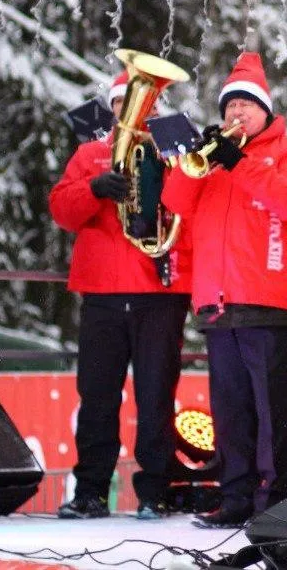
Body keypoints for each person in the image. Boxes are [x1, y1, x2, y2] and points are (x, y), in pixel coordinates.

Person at [162, 52, 287, 527]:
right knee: (230, 415)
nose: (236, 114)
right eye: (230, 107)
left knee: (275, 417)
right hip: (218, 303)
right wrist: (195, 165)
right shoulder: (212, 159)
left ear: (266, 112)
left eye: (246, 106)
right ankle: (235, 501)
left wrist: (239, 163)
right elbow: (173, 202)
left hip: (270, 301)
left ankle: (278, 507)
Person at [49, 69, 193, 520]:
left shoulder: (172, 149)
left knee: (156, 397)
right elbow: (63, 211)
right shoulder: (91, 153)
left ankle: (155, 491)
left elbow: (192, 207)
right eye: (123, 102)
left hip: (158, 292)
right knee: (97, 396)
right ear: (112, 107)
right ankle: (90, 490)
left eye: (142, 101)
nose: (129, 110)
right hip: (103, 293)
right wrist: (94, 189)